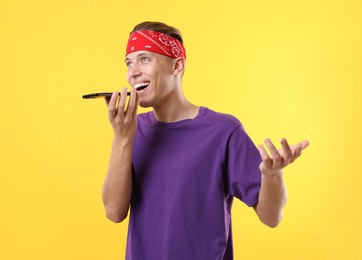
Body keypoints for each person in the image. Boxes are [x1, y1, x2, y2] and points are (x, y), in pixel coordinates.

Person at [101, 21, 309, 260]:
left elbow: (271, 217)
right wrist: (122, 137)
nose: (132, 72)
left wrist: (272, 176)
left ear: (176, 65)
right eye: (129, 62)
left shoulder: (223, 132)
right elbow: (114, 211)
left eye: (144, 59)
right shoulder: (132, 130)